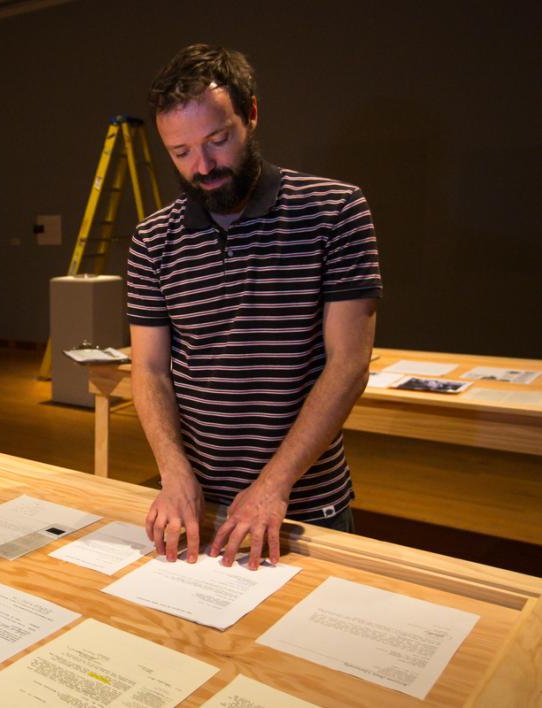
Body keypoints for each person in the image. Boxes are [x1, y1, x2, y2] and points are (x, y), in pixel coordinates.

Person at [127, 44, 382, 571]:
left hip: (301, 504)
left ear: (251, 115)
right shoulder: (153, 240)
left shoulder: (335, 211)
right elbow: (149, 369)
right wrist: (174, 476)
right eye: (180, 152)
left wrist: (272, 486)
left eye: (218, 140)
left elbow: (349, 363)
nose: (202, 167)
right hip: (197, 502)